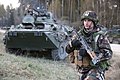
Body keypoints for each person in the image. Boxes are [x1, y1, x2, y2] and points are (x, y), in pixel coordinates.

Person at [66, 11, 113, 80]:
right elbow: (67, 50)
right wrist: (72, 44)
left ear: (94, 22)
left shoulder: (99, 36)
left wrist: (93, 55)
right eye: (85, 20)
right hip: (81, 70)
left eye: (89, 21)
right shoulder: (78, 35)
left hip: (95, 69)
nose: (86, 23)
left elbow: (108, 53)